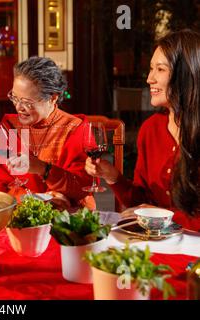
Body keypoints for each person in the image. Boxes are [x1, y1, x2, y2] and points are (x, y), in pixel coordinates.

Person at [85, 29, 200, 231]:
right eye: (151, 68)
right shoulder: (151, 129)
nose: (149, 78)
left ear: (185, 74)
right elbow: (140, 202)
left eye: (160, 69)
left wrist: (162, 218)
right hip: (156, 243)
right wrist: (114, 177)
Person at [0, 56, 94, 210]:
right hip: (20, 215)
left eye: (27, 102)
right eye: (15, 98)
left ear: (53, 98)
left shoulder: (76, 129)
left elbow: (83, 188)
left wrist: (44, 169)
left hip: (67, 218)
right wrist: (32, 200)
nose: (18, 107)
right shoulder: (7, 128)